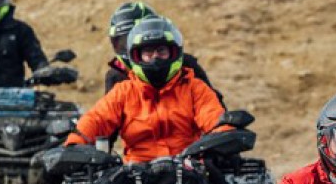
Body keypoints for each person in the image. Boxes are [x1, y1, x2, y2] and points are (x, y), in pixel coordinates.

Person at [65, 16, 228, 163]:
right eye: (148, 52)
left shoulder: (194, 88)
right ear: (136, 56)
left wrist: (226, 135)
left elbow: (214, 118)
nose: (155, 57)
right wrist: (75, 144)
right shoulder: (123, 92)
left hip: (188, 169)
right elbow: (97, 119)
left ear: (173, 52)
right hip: (135, 176)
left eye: (161, 51)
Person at [104, 1, 221, 99]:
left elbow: (215, 108)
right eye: (122, 43)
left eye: (131, 39)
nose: (127, 47)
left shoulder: (185, 64)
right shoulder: (115, 75)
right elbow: (105, 118)